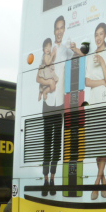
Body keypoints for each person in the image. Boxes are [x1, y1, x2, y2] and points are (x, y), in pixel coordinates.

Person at [73, 22, 106, 200]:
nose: (98, 37)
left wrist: (103, 62)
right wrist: (104, 81)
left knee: (103, 144)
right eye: (96, 34)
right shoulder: (90, 57)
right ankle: (103, 180)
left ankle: (96, 182)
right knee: (97, 144)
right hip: (94, 101)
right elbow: (88, 82)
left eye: (101, 34)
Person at [37, 16, 73, 196]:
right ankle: (45, 179)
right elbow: (38, 76)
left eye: (61, 28)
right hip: (48, 102)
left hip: (60, 102)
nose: (59, 31)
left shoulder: (66, 49)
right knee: (47, 143)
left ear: (64, 29)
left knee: (57, 143)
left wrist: (75, 46)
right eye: (57, 28)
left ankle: (52, 178)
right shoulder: (47, 51)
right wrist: (49, 83)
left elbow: (80, 54)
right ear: (54, 31)